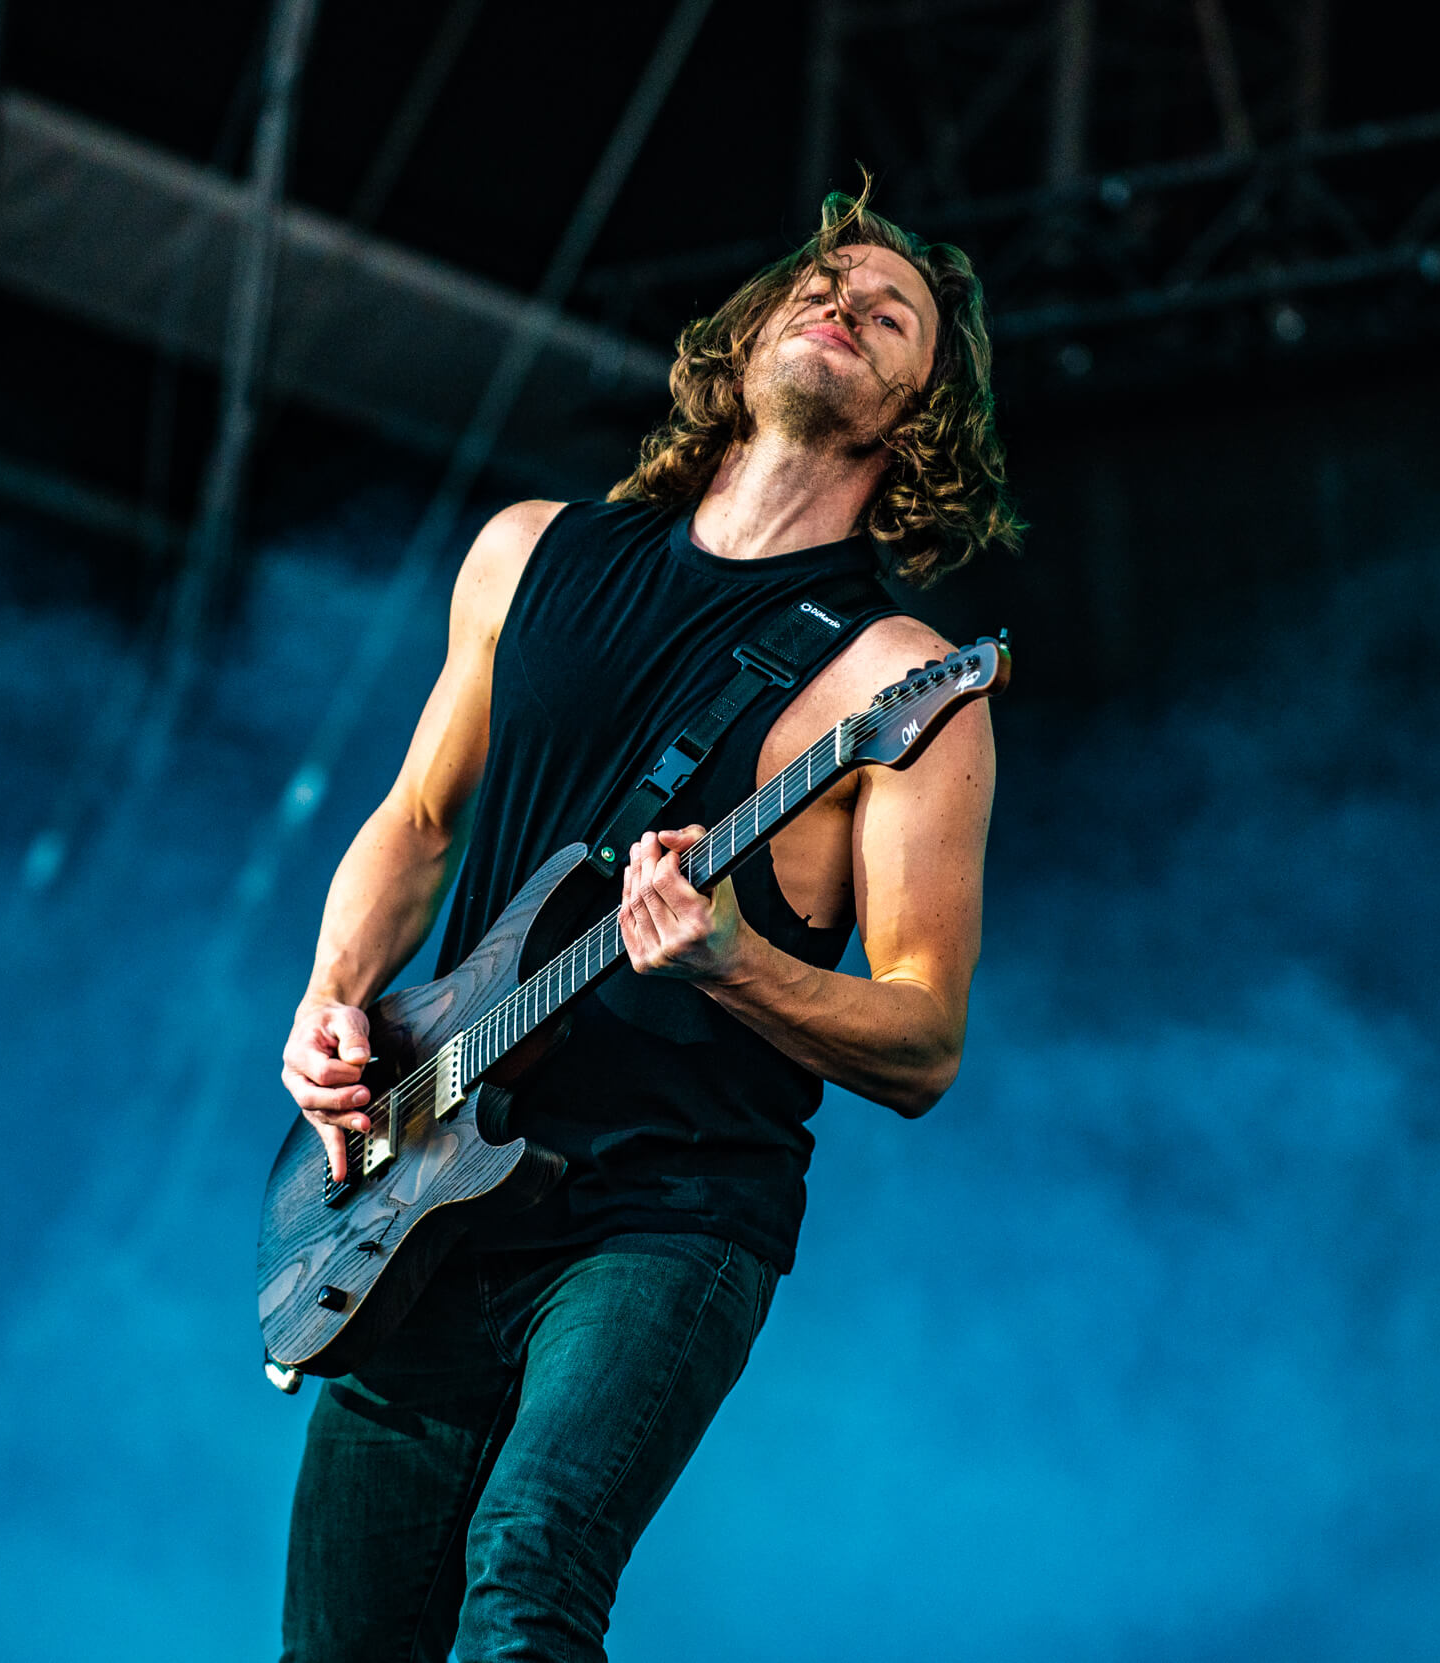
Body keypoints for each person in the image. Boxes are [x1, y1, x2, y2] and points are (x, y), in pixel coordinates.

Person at [277, 187, 1021, 1663]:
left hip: (667, 1218)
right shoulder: (529, 552)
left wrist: (734, 961)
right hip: (424, 1183)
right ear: (745, 337)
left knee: (528, 1584)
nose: (846, 305)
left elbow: (925, 1037)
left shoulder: (903, 683)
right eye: (822, 283)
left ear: (920, 418)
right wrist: (330, 1005)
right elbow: (418, 819)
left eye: (892, 318)